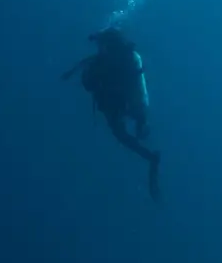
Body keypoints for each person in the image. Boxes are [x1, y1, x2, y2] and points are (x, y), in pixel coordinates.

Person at [62, 29, 162, 200]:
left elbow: (89, 84)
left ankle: (150, 155)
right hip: (128, 103)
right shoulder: (122, 58)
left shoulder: (103, 61)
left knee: (121, 134)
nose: (99, 47)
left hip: (116, 105)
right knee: (131, 129)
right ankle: (149, 152)